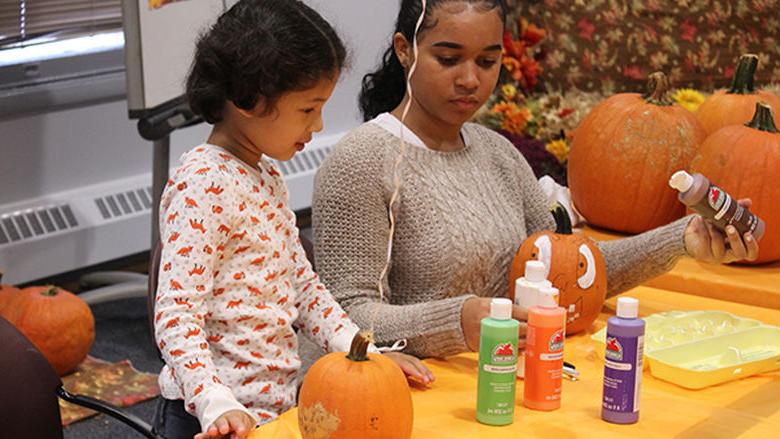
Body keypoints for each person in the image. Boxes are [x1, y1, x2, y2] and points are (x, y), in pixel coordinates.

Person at [301, 0, 759, 365]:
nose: (469, 80)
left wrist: (682, 239)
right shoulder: (360, 162)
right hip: (416, 396)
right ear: (405, 50)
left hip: (511, 379)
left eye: (487, 61)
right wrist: (456, 322)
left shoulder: (497, 152)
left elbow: (572, 270)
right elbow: (344, 316)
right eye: (448, 58)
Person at [153, 1, 432, 438]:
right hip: (210, 421)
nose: (318, 124)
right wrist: (214, 401)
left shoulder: (266, 175)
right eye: (308, 109)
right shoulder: (202, 184)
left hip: (271, 413)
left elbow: (302, 288)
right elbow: (176, 314)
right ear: (249, 99)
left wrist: (361, 352)